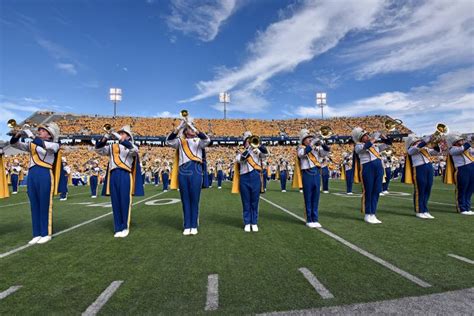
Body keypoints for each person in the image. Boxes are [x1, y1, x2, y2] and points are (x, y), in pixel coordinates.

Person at [10, 122, 61, 244]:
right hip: (32, 175)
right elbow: (14, 144)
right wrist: (18, 134)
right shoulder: (33, 144)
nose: (40, 132)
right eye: (40, 130)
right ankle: (36, 233)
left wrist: (31, 135)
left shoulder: (54, 144)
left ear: (49, 135)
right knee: (34, 205)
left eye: (43, 131)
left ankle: (46, 233)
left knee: (45, 204)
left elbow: (44, 146)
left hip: (44, 174)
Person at [95, 125, 144, 238]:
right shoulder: (112, 147)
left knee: (124, 201)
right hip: (113, 175)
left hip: (125, 174)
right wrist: (106, 136)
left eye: (123, 133)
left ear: (128, 136)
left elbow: (134, 150)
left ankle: (125, 226)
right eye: (120, 132)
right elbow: (98, 149)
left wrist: (117, 135)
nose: (121, 134)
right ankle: (117, 227)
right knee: (115, 202)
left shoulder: (132, 145)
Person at [166, 117, 210, 236]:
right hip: (183, 171)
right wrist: (179, 127)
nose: (190, 129)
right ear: (185, 131)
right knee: (185, 199)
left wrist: (194, 128)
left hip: (196, 170)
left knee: (194, 199)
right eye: (188, 128)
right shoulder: (180, 141)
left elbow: (207, 140)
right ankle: (187, 225)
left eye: (191, 127)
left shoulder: (198, 141)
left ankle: (194, 224)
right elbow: (168, 141)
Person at [352, 127, 391, 224]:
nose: (368, 136)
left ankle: (373, 213)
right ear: (361, 138)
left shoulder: (375, 145)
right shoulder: (358, 145)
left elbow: (388, 144)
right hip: (367, 168)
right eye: (365, 135)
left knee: (376, 190)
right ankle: (367, 214)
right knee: (368, 191)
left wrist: (383, 136)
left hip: (378, 168)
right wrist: (374, 138)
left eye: (368, 135)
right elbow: (365, 147)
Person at [292, 129, 330, 228]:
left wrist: (322, 143)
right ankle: (309, 219)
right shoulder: (300, 147)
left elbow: (326, 152)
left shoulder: (316, 147)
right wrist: (312, 144)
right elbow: (301, 154)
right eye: (307, 138)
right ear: (303, 140)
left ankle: (315, 218)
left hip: (316, 173)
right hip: (307, 173)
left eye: (310, 138)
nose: (310, 139)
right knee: (308, 197)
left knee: (316, 197)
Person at [232, 131, 268, 232]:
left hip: (255, 176)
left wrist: (258, 147)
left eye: (250, 140)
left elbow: (266, 154)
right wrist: (248, 149)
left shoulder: (257, 152)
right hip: (244, 178)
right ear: (245, 143)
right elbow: (241, 159)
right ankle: (247, 222)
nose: (250, 142)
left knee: (254, 201)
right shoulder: (241, 152)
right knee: (246, 201)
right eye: (248, 141)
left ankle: (254, 222)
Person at [403, 134, 440, 219]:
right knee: (420, 189)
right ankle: (419, 210)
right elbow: (414, 150)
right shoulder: (411, 148)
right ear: (413, 142)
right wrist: (425, 141)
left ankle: (425, 210)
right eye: (417, 141)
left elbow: (436, 152)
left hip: (428, 167)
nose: (419, 142)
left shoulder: (425, 148)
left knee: (428, 189)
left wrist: (435, 143)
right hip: (419, 168)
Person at [445, 132, 474, 215]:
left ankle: (467, 207)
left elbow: (471, 151)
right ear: (455, 141)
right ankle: (462, 208)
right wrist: (469, 140)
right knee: (462, 189)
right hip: (462, 169)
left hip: (471, 168)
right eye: (460, 140)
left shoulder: (465, 147)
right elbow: (462, 149)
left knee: (470, 189)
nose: (462, 141)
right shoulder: (452, 149)